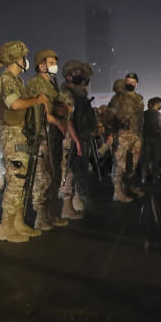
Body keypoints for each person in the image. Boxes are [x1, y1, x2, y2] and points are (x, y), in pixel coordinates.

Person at [0, 41, 50, 243]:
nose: (25, 60)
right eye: (23, 56)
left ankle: (17, 222)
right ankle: (5, 227)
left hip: (21, 133)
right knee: (16, 181)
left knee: (22, 180)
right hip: (11, 133)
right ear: (16, 58)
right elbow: (13, 104)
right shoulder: (5, 79)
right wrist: (36, 100)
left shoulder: (17, 81)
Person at [26, 49, 80, 230]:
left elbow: (62, 108)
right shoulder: (35, 84)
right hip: (42, 136)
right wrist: (56, 120)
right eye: (51, 62)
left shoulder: (53, 85)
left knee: (55, 177)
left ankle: (50, 214)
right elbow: (37, 111)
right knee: (43, 178)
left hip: (54, 136)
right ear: (41, 65)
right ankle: (40, 217)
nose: (54, 65)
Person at [60, 60, 96, 217]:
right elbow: (67, 118)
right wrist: (75, 138)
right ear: (68, 77)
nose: (80, 76)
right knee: (69, 171)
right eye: (76, 73)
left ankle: (75, 201)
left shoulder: (80, 94)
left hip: (81, 136)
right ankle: (67, 207)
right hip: (71, 137)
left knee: (79, 170)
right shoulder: (67, 93)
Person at [106, 73, 145, 201]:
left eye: (133, 82)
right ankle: (117, 192)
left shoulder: (138, 98)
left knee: (132, 164)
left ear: (136, 84)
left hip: (136, 135)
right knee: (119, 163)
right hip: (122, 134)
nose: (131, 84)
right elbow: (110, 116)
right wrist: (113, 131)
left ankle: (126, 187)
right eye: (128, 81)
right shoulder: (118, 98)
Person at [138, 97, 161, 183]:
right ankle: (155, 176)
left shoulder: (144, 114)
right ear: (157, 103)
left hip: (146, 137)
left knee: (146, 158)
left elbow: (140, 126)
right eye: (160, 103)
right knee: (157, 157)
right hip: (156, 138)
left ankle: (144, 177)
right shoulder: (159, 114)